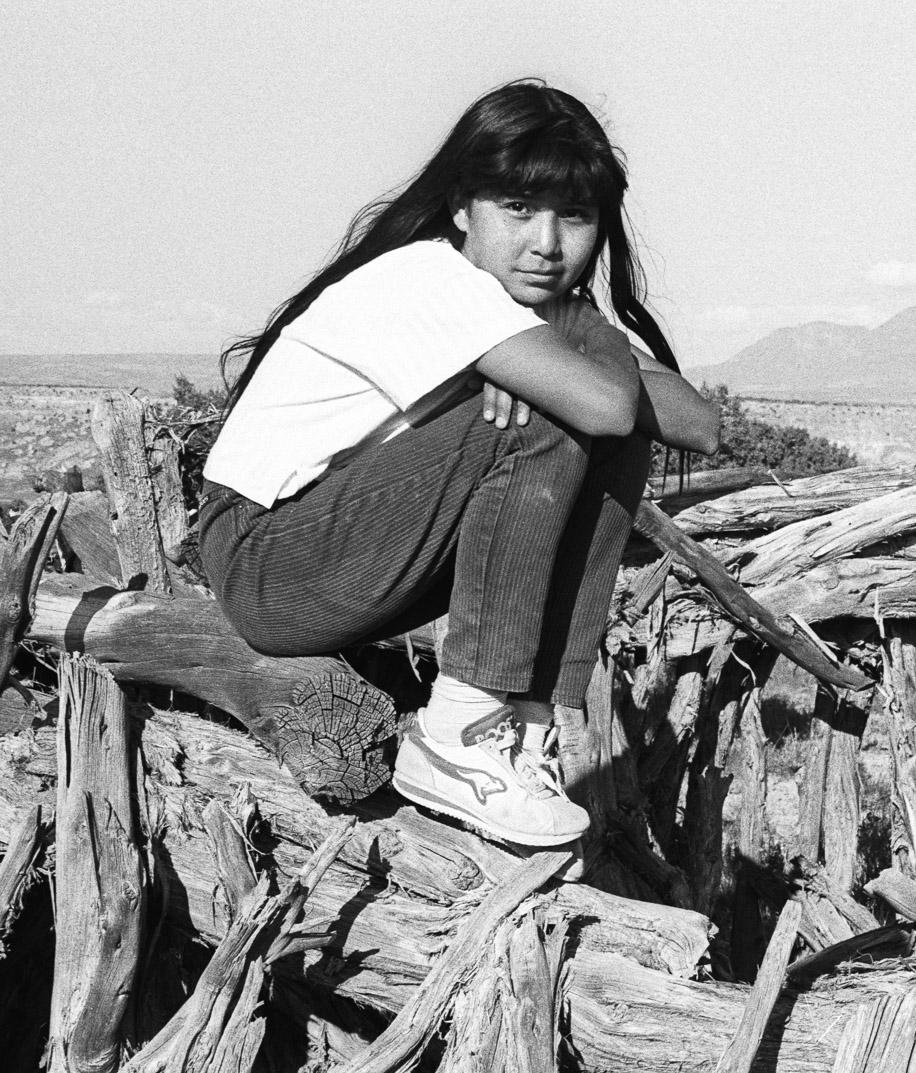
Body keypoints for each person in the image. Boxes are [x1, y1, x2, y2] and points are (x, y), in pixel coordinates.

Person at [199, 80, 718, 848]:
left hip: (350, 554)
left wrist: (575, 330)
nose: (547, 243)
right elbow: (608, 404)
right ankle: (459, 732)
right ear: (461, 209)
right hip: (266, 562)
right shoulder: (429, 279)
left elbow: (697, 424)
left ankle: (527, 724)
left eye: (574, 216)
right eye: (518, 209)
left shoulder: (522, 310)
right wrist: (569, 353)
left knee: (600, 424)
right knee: (565, 411)